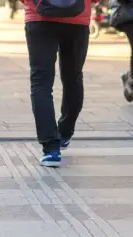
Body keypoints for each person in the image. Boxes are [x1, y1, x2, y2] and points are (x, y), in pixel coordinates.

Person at [22, 0, 97, 167]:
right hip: (78, 19)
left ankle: (51, 149)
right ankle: (64, 133)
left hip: (38, 17)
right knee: (73, 78)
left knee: (41, 82)